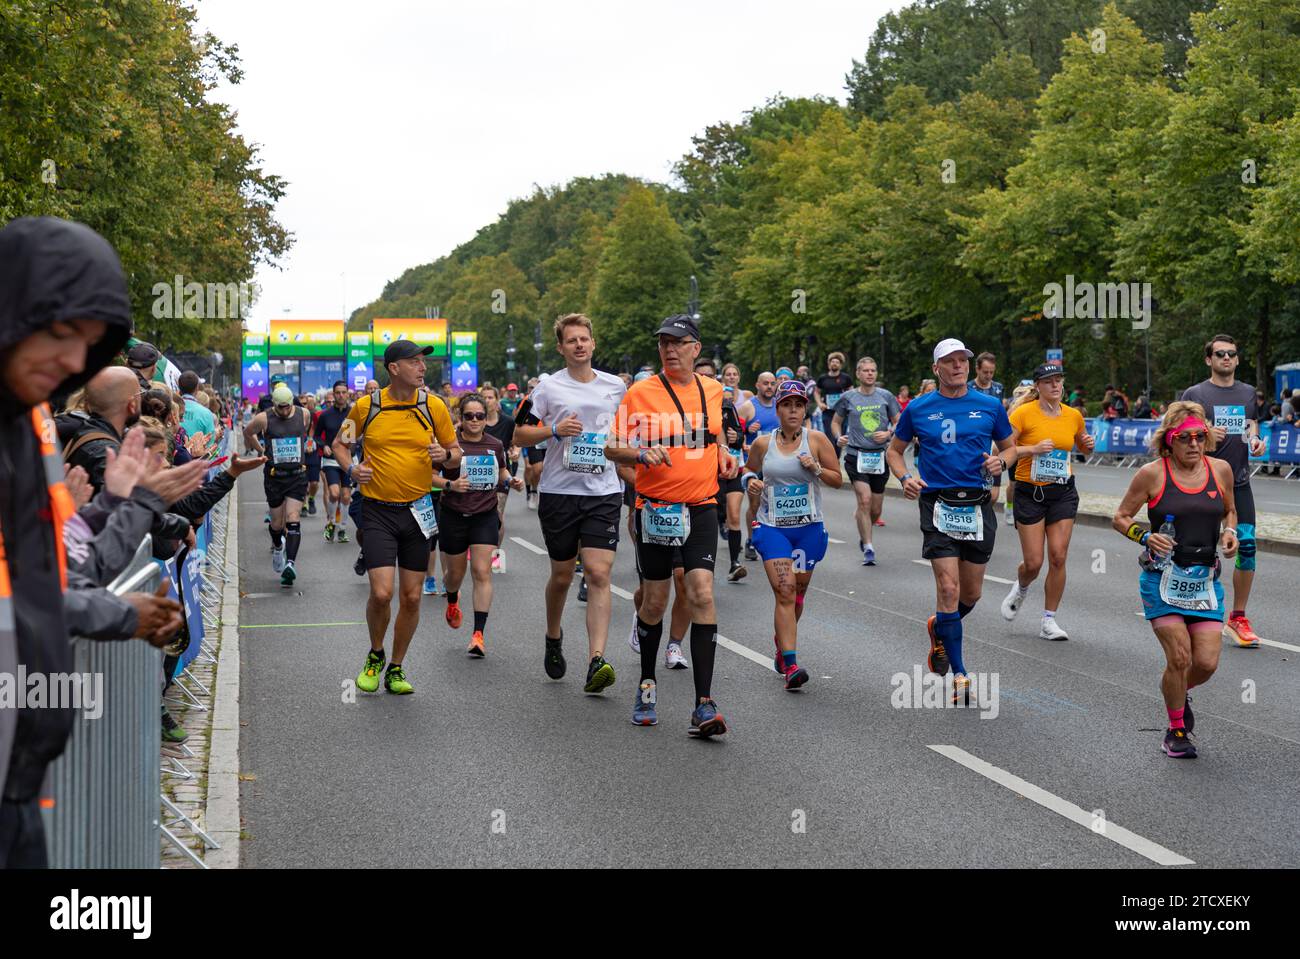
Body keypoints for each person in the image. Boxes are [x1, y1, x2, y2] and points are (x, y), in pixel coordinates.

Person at [0, 216, 186, 867]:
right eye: (59, 333)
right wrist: (119, 614)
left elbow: (64, 565)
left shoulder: (29, 425)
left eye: (88, 343)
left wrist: (130, 501)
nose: (75, 360)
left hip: (20, 772)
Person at [607, 314, 738, 735]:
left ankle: (704, 702)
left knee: (701, 592)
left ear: (696, 348)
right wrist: (638, 455)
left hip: (700, 506)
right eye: (664, 342)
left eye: (678, 342)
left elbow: (711, 435)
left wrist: (722, 454)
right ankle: (647, 683)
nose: (669, 349)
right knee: (655, 602)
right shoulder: (640, 393)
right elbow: (612, 446)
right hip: (656, 508)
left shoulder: (713, 390)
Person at [885, 338, 1014, 704]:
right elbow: (895, 450)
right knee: (948, 589)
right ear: (936, 368)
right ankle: (960, 674)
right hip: (937, 502)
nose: (958, 366)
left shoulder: (989, 405)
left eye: (963, 361)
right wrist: (905, 477)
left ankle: (939, 625)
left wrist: (1001, 462)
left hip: (976, 504)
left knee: (971, 593)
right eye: (950, 361)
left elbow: (1010, 447)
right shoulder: (919, 408)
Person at [334, 340, 461, 695]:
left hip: (418, 510)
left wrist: (445, 454)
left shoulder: (433, 406)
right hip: (377, 510)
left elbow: (454, 453)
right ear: (394, 368)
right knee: (381, 592)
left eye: (424, 362)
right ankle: (375, 654)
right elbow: (340, 445)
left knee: (412, 597)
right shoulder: (365, 407)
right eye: (415, 362)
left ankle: (396, 667)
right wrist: (352, 468)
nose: (423, 367)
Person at [1112, 402, 1237, 758]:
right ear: (1169, 441)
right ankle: (1176, 729)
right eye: (1185, 438)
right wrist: (1144, 535)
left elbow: (1229, 509)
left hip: (1204, 581)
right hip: (1162, 578)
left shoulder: (1221, 470)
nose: (1194, 444)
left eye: (1201, 436)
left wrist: (1229, 532)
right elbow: (1120, 517)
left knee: (1207, 663)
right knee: (1180, 658)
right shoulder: (1152, 474)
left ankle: (1178, 691)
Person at [510, 314, 627, 690]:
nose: (579, 345)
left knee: (597, 573)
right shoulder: (546, 388)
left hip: (603, 492)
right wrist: (554, 430)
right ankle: (553, 635)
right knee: (562, 575)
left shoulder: (616, 388)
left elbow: (631, 432)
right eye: (571, 340)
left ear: (594, 344)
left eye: (584, 339)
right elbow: (520, 434)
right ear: (561, 347)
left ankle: (596, 660)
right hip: (560, 493)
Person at [743, 381, 842, 690]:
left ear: (804, 410)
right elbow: (747, 470)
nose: (794, 410)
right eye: (787, 405)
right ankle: (792, 664)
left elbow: (838, 480)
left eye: (799, 405)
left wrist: (816, 469)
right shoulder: (762, 443)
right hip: (772, 528)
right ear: (779, 409)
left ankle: (781, 642)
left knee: (797, 597)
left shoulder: (817, 440)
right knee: (784, 592)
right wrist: (751, 482)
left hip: (808, 529)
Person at [1179, 335, 1267, 649]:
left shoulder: (1247, 393)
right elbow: (1177, 434)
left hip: (1239, 483)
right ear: (1209, 359)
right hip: (1201, 484)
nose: (1226, 358)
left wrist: (1255, 440)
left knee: (1247, 546)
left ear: (1237, 359)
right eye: (1220, 354)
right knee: (1196, 551)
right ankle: (1188, 610)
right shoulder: (1195, 393)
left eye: (1231, 353)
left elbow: (1251, 424)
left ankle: (1238, 616)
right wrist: (1202, 433)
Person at [999, 364, 1094, 640]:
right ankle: (1021, 587)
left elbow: (1084, 450)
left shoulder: (1074, 415)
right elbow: (1002, 450)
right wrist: (1032, 449)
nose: (1055, 386)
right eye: (1049, 381)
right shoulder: (1022, 414)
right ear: (1038, 386)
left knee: (1058, 555)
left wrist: (1088, 444)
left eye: (1059, 381)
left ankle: (1048, 620)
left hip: (1062, 491)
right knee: (1033, 562)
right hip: (1030, 492)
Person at [435, 393, 516, 657]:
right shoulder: (451, 445)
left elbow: (502, 470)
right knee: (454, 576)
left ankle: (478, 635)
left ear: (485, 418)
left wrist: (511, 479)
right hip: (453, 515)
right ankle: (452, 598)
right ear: (460, 417)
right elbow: (430, 474)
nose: (474, 420)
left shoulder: (495, 445)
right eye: (468, 416)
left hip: (484, 514)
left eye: (479, 416)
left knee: (482, 571)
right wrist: (451, 484)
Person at [832, 356, 900, 566]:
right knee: (865, 499)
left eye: (873, 370)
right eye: (866, 371)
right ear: (858, 374)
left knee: (875, 509)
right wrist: (838, 437)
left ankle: (864, 524)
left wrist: (889, 433)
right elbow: (836, 422)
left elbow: (899, 422)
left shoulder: (886, 396)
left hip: (879, 456)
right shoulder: (848, 397)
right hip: (856, 455)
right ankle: (868, 546)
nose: (870, 374)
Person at [243, 385, 313, 587]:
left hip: (297, 475)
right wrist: (261, 449)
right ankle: (276, 547)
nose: (284, 411)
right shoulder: (264, 418)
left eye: (287, 407)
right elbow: (248, 432)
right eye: (280, 407)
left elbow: (304, 433)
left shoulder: (304, 414)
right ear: (274, 405)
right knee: (276, 523)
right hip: (275, 476)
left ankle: (290, 564)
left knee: (293, 518)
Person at [738, 372, 779, 560]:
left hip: (777, 463)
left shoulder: (781, 406)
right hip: (754, 464)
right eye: (765, 383)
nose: (769, 387)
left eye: (772, 384)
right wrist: (746, 431)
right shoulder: (748, 407)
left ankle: (774, 538)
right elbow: (733, 432)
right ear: (757, 385)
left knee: (775, 504)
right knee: (755, 504)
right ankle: (751, 539)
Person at [970, 353, 1011, 522]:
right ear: (977, 369)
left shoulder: (998, 388)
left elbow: (1001, 414)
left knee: (993, 495)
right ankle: (972, 516)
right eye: (985, 372)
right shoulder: (968, 387)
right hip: (974, 439)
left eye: (991, 372)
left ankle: (981, 513)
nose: (988, 376)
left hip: (994, 439)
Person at [480, 384, 517, 572]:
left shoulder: (508, 422)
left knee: (498, 515)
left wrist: (515, 451)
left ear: (497, 400)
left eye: (490, 397)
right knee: (479, 515)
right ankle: (478, 546)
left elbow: (516, 443)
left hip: (502, 474)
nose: (487, 401)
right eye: (484, 398)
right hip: (477, 475)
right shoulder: (475, 421)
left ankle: (495, 553)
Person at [315, 380, 353, 544]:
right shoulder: (325, 415)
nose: (341, 395)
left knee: (345, 496)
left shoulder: (353, 413)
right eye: (338, 392)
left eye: (344, 392)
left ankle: (342, 528)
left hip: (348, 460)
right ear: (333, 393)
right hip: (330, 460)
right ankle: (331, 522)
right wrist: (325, 446)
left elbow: (358, 436)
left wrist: (355, 446)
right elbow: (316, 436)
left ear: (348, 394)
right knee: (335, 493)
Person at [815, 352, 853, 442]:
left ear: (840, 365)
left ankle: (837, 455)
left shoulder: (846, 378)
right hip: (827, 412)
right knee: (830, 437)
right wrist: (820, 403)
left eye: (837, 362)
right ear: (829, 364)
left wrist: (848, 404)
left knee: (840, 438)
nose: (834, 363)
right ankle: (832, 455)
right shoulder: (823, 378)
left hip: (842, 412)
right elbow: (816, 392)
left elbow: (851, 392)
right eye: (832, 361)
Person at [302, 392, 322, 515]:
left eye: (310, 404)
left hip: (314, 454)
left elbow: (320, 434)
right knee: (303, 482)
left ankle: (311, 499)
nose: (307, 406)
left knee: (314, 482)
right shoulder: (298, 417)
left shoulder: (318, 417)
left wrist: (312, 442)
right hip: (301, 454)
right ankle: (303, 505)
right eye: (305, 403)